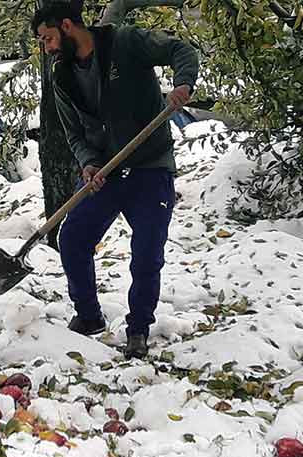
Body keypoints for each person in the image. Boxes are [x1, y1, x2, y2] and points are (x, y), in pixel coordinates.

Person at [31, 2, 198, 358]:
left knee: (147, 252)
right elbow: (74, 133)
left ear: (66, 26)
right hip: (104, 173)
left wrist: (183, 83)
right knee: (73, 237)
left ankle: (138, 329)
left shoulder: (126, 42)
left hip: (150, 168)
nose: (47, 49)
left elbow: (180, 49)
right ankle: (89, 317)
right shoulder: (61, 76)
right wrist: (88, 164)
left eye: (48, 39)